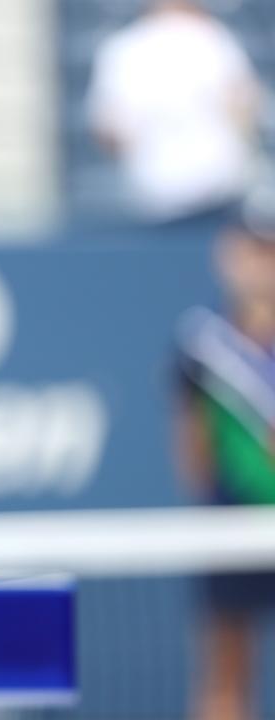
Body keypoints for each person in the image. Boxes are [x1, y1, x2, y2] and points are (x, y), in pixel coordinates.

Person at [175, 190, 275, 720]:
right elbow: (194, 453)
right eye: (252, 248)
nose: (262, 263)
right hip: (231, 529)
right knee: (227, 670)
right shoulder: (200, 346)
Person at [86, 0, 261, 226]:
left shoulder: (215, 38)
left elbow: (243, 107)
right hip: (157, 200)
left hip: (217, 197)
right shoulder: (123, 49)